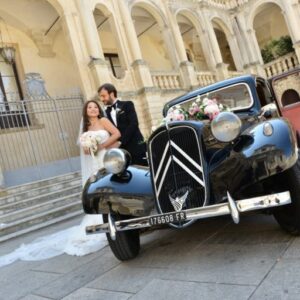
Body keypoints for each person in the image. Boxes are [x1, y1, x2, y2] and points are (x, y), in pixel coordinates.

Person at [0, 101, 121, 268]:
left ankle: (117, 212)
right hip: (95, 162)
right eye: (89, 107)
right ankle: (102, 217)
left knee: (111, 186)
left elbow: (116, 134)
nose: (93, 109)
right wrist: (89, 146)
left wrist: (101, 145)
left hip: (106, 158)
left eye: (95, 107)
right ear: (86, 111)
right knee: (99, 190)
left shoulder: (104, 121)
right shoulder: (85, 130)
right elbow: (85, 151)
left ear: (98, 110)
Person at [98, 83, 148, 166]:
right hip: (120, 154)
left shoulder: (127, 105)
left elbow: (134, 124)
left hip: (136, 147)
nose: (102, 99)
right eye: (100, 97)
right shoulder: (104, 114)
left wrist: (120, 142)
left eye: (103, 96)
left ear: (112, 94)